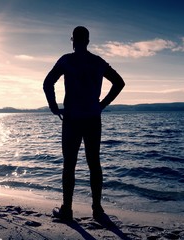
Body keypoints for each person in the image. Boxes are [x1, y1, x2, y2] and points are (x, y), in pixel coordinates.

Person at [43, 26, 125, 222]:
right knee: (94, 164)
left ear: (72, 40)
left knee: (69, 165)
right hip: (92, 118)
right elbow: (119, 83)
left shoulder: (66, 60)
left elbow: (47, 83)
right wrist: (101, 105)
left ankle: (67, 210)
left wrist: (54, 107)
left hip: (71, 118)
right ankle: (97, 210)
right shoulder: (97, 62)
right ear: (88, 41)